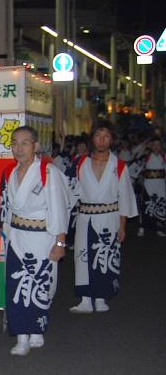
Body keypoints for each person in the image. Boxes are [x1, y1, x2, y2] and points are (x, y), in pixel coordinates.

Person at [0, 126, 69, 356]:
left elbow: (59, 208)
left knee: (41, 285)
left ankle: (37, 330)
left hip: (42, 237)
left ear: (35, 146)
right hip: (17, 237)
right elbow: (5, 203)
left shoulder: (48, 172)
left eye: (25, 143)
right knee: (16, 286)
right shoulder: (9, 173)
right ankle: (21, 336)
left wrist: (60, 242)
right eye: (15, 143)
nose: (19, 148)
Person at [67, 121, 137, 313]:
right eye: (98, 135)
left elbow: (125, 197)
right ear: (92, 138)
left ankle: (101, 297)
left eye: (106, 136)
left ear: (112, 139)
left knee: (105, 256)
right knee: (83, 257)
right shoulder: (80, 162)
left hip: (109, 216)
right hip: (85, 216)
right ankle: (85, 299)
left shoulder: (119, 166)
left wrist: (122, 226)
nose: (102, 140)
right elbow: (68, 190)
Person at [137, 138, 165, 237]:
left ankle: (160, 228)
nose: (156, 147)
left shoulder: (164, 157)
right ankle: (142, 227)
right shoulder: (146, 157)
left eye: (158, 144)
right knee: (146, 206)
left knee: (161, 207)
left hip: (161, 186)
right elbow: (136, 166)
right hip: (149, 186)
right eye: (154, 145)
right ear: (151, 146)